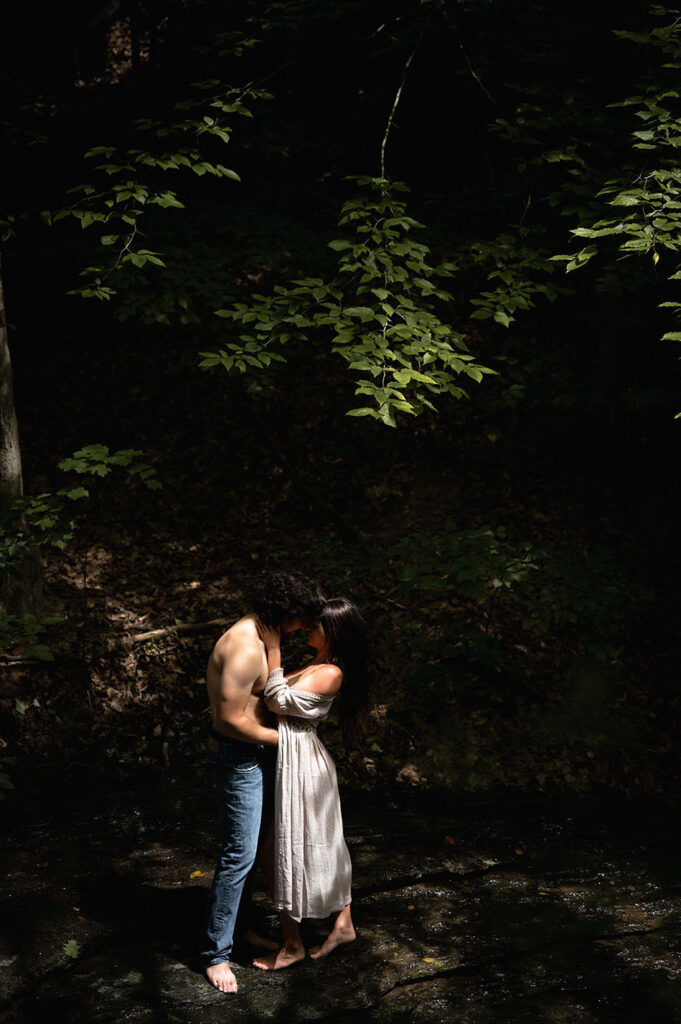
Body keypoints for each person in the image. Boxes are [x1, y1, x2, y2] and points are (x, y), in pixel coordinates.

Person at [200, 571, 325, 994]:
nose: (300, 631)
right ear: (283, 613)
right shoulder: (244, 648)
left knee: (256, 851)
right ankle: (215, 954)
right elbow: (227, 720)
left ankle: (241, 931)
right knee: (239, 854)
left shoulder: (263, 638)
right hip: (239, 760)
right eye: (299, 623)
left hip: (258, 755)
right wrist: (286, 740)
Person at [253, 596, 369, 971]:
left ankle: (292, 944)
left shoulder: (332, 671)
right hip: (294, 758)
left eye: (315, 624)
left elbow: (275, 699)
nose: (307, 628)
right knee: (298, 845)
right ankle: (342, 924)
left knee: (288, 847)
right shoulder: (317, 664)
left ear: (332, 631)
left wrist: (272, 649)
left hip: (304, 765)